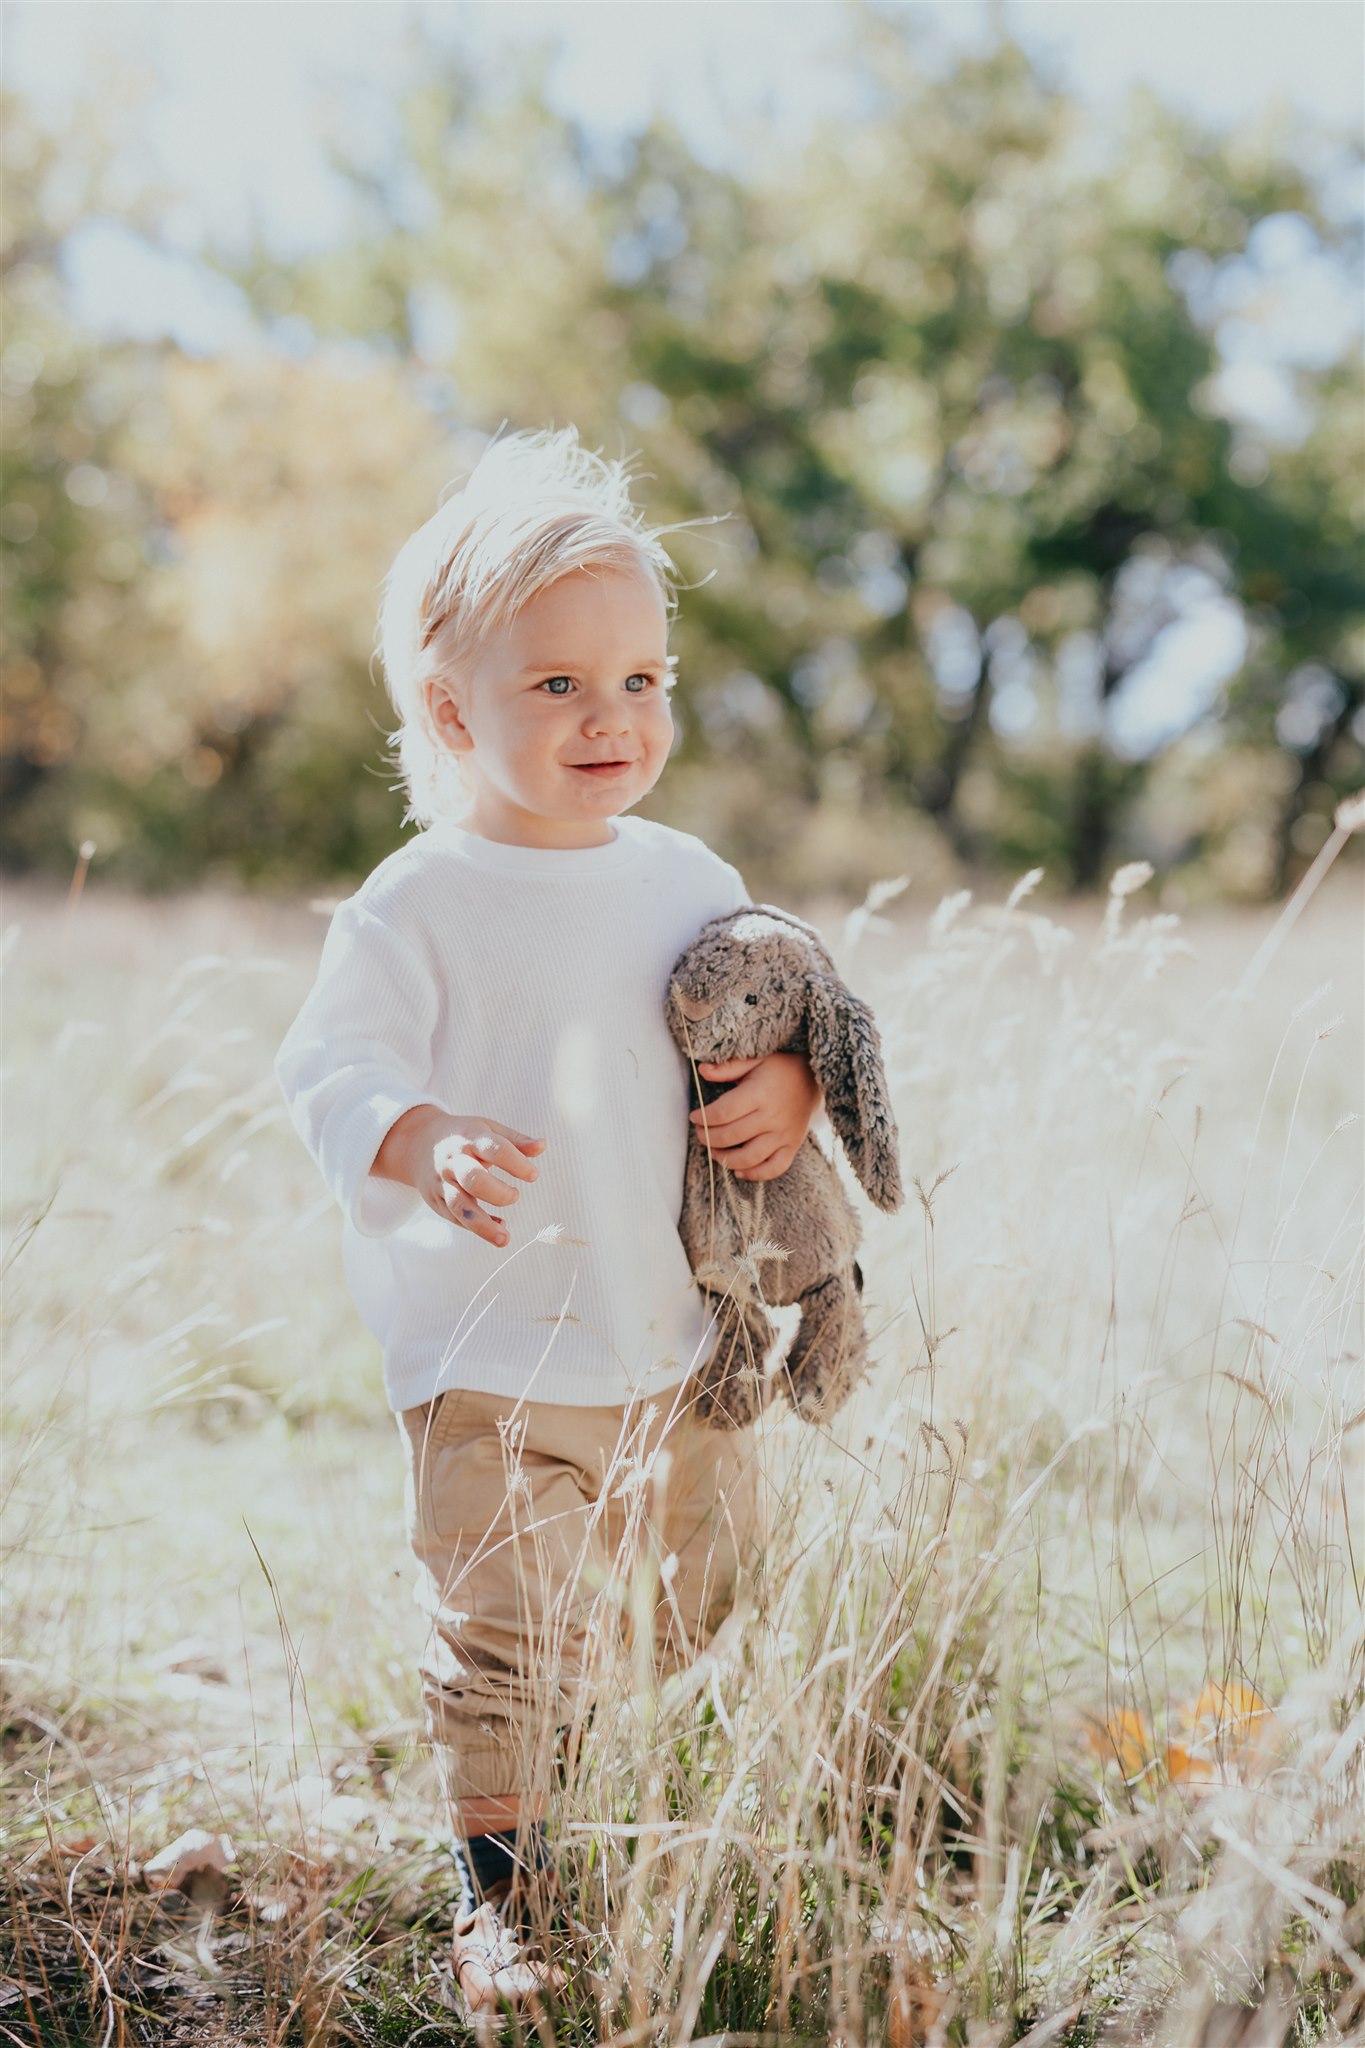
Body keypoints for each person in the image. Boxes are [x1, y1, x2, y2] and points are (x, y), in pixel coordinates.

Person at [274, 425, 824, 2020]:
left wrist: (783, 1092)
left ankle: (568, 1750)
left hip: (667, 1329)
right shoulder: (420, 900)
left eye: (641, 680)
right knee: (503, 1631)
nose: (614, 718)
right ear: (451, 711)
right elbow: (328, 1067)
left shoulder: (686, 871)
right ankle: (499, 1894)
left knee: (694, 1593)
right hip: (489, 1344)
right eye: (560, 686)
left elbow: (759, 1013)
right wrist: (419, 1132)